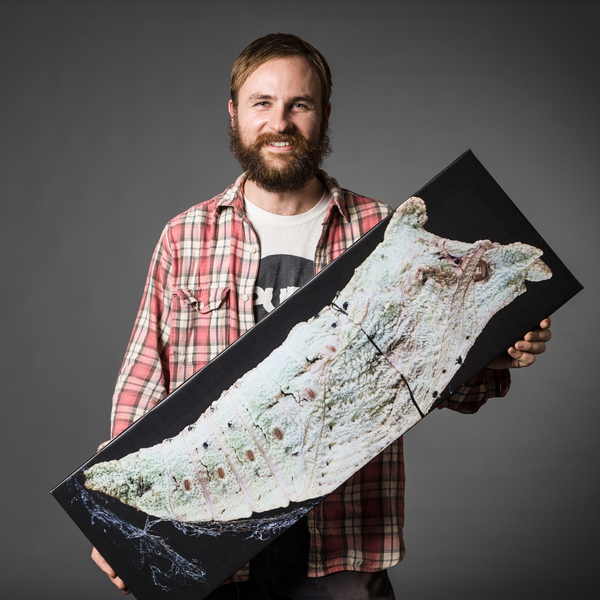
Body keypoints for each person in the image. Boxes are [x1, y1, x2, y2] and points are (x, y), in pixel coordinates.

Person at [91, 33, 552, 599]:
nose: (279, 122)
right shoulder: (186, 236)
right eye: (262, 103)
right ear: (234, 114)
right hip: (211, 555)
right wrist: (110, 518)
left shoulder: (386, 232)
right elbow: (141, 384)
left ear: (324, 115)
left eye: (298, 105)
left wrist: (500, 346)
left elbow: (447, 384)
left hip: (343, 552)